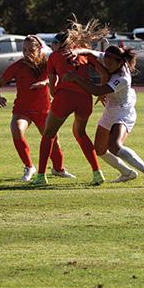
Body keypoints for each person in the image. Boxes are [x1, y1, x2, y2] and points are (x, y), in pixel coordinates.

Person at [63, 45, 144, 188]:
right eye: (105, 60)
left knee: (114, 145)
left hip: (123, 112)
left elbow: (97, 91)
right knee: (100, 149)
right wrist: (76, 51)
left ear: (120, 62)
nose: (106, 64)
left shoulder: (123, 78)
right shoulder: (109, 58)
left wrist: (75, 77)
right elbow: (89, 52)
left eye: (110, 62)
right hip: (110, 110)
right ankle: (127, 173)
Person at [31, 19, 109, 186]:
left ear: (60, 44)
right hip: (85, 99)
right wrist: (101, 91)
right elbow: (104, 72)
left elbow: (52, 85)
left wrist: (54, 93)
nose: (52, 46)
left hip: (65, 97)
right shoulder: (84, 53)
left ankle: (40, 176)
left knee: (48, 134)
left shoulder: (54, 57)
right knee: (80, 133)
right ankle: (97, 173)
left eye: (54, 42)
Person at [0, 35, 75, 181]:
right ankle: (29, 167)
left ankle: (58, 169)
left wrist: (43, 83)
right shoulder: (18, 66)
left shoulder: (47, 62)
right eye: (24, 49)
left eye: (30, 50)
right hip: (22, 110)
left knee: (53, 142)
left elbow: (55, 78)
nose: (26, 53)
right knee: (16, 129)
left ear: (39, 49)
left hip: (44, 110)